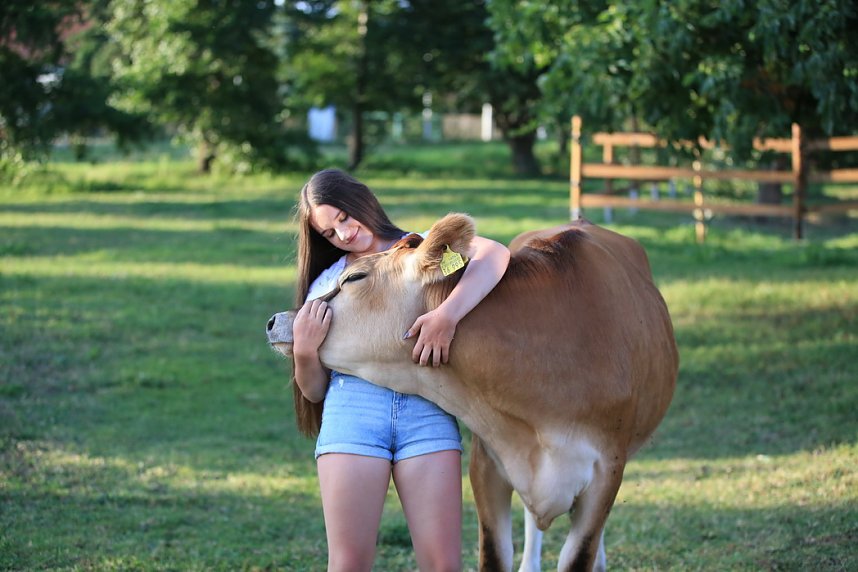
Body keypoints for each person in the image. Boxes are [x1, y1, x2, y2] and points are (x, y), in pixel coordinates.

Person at [290, 168, 510, 572]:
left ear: (361, 200)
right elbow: (314, 391)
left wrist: (447, 315)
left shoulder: (423, 254)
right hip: (353, 414)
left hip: (426, 411)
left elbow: (494, 254)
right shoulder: (327, 282)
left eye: (342, 217)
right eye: (328, 234)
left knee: (443, 566)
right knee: (349, 565)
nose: (342, 235)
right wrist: (304, 352)